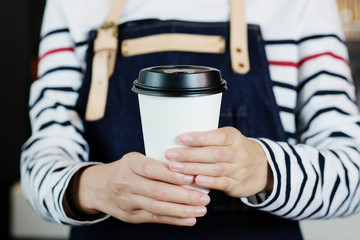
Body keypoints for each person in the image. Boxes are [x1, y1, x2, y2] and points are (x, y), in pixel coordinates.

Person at [21, 0, 360, 239]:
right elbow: (42, 154)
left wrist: (263, 169)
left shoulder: (303, 5)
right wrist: (94, 188)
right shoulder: (73, 4)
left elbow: (353, 176)